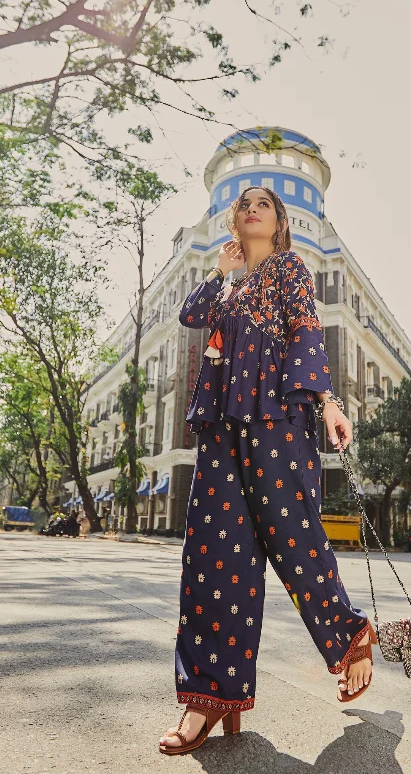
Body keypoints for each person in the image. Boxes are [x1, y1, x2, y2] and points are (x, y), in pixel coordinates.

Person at [159, 186, 376, 755]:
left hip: (278, 416)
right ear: (236, 219)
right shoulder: (228, 282)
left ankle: (349, 634)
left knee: (293, 537)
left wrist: (327, 401)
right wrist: (222, 271)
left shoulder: (290, 270)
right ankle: (209, 697)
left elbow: (306, 335)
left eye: (265, 204)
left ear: (279, 221)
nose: (252, 208)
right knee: (213, 554)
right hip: (222, 426)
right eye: (245, 203)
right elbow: (191, 315)